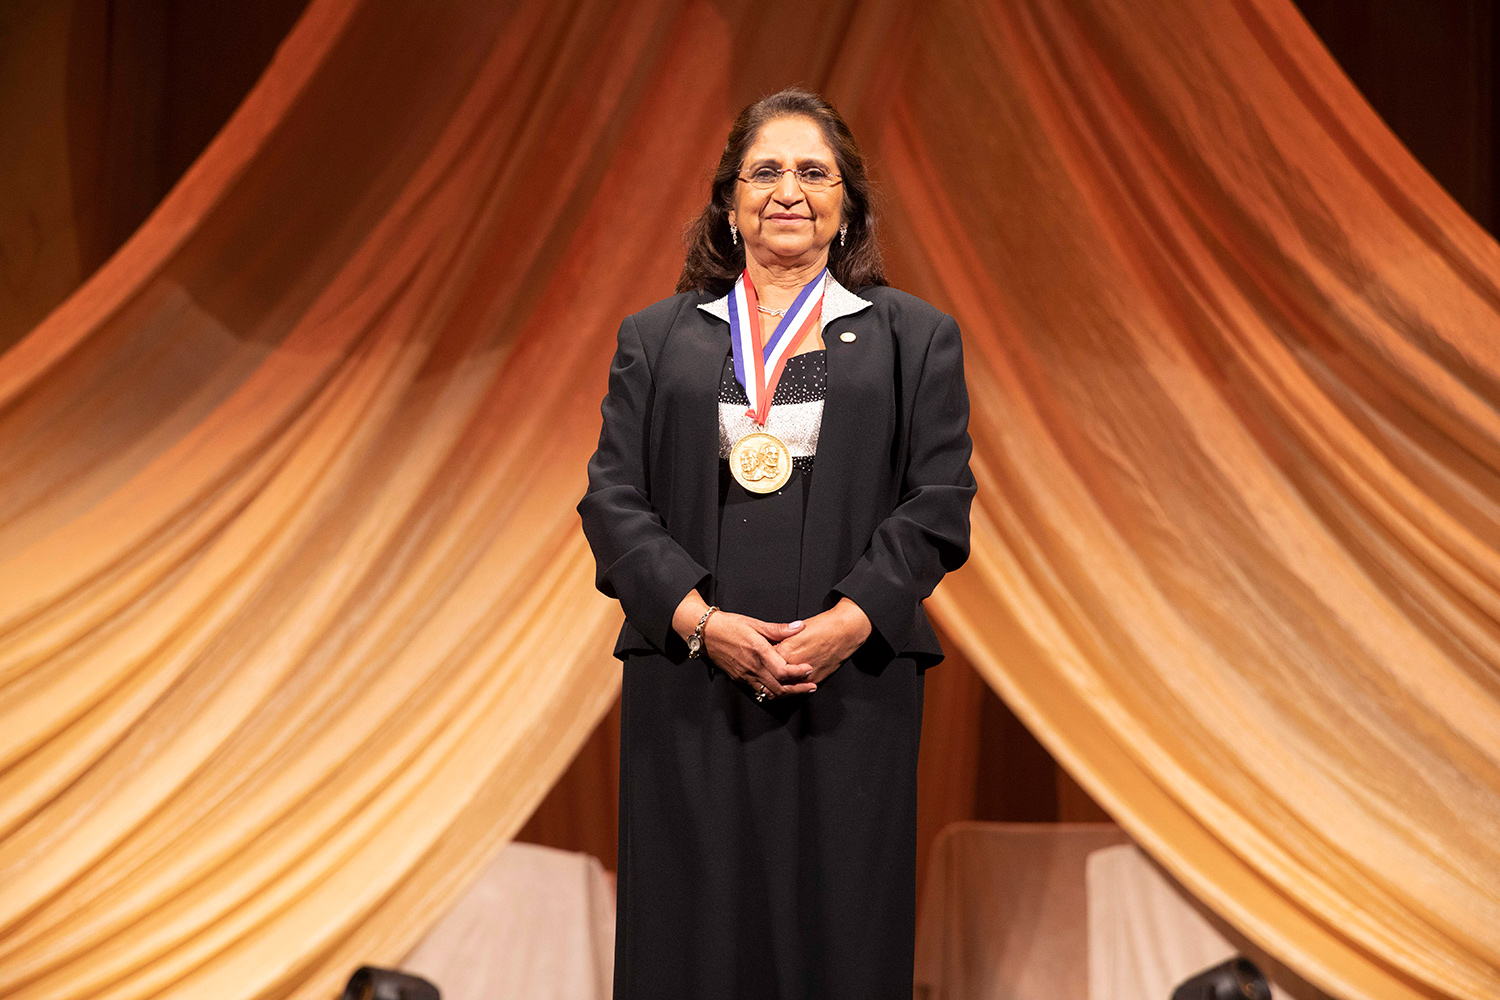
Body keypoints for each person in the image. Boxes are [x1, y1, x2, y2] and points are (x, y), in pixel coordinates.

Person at [578, 87, 975, 999]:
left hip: (852, 685)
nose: (787, 191)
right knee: (688, 940)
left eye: (812, 172)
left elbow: (939, 501)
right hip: (689, 678)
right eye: (765, 171)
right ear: (729, 202)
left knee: (836, 941)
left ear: (848, 207)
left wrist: (851, 620)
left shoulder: (916, 340)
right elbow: (612, 499)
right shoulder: (656, 337)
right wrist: (695, 618)